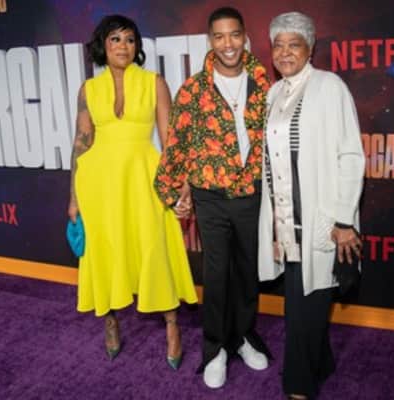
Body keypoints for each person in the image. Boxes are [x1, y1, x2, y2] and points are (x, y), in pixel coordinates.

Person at [67, 14, 198, 369]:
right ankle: (110, 322)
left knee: (155, 247)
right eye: (115, 39)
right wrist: (74, 197)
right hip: (99, 184)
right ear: (103, 45)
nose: (123, 46)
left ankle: (172, 326)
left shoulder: (154, 82)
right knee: (105, 250)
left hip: (144, 178)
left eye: (129, 39)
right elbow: (81, 142)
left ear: (137, 46)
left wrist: (182, 183)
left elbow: (170, 139)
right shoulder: (88, 90)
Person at [154, 6, 271, 389]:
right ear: (210, 41)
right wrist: (175, 190)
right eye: (219, 36)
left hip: (250, 193)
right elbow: (178, 144)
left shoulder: (263, 83)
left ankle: (244, 338)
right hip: (210, 197)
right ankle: (216, 348)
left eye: (234, 34)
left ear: (245, 37)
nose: (228, 44)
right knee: (217, 274)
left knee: (247, 272)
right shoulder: (193, 88)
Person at [257, 12, 365, 400]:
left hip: (322, 217)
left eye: (294, 44)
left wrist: (344, 220)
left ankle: (299, 386)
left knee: (305, 307)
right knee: (300, 303)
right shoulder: (274, 94)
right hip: (287, 221)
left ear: (310, 48)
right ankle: (322, 362)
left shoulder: (329, 87)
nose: (285, 53)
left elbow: (350, 155)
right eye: (278, 45)